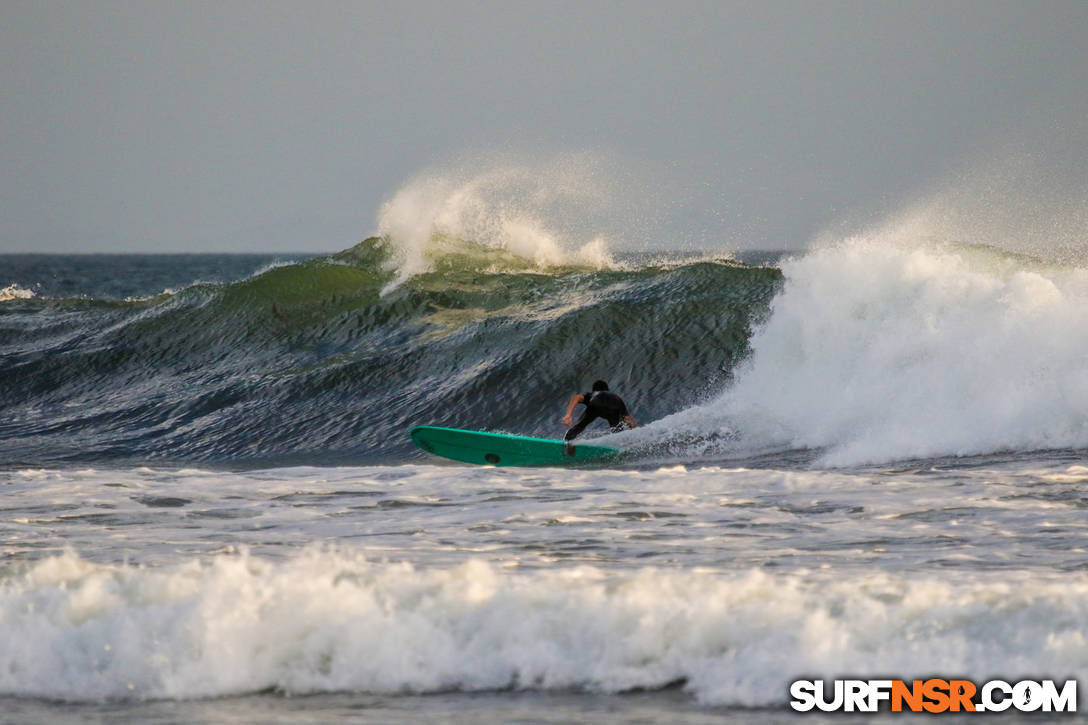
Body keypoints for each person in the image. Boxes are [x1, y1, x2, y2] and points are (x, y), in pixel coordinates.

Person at [562, 380, 638, 441]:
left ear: (594, 390)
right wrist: (638, 433)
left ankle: (566, 443)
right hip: (614, 406)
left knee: (580, 426)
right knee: (617, 432)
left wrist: (568, 415)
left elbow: (576, 397)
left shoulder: (593, 394)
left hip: (595, 404)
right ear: (607, 390)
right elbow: (628, 420)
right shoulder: (616, 397)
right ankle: (619, 447)